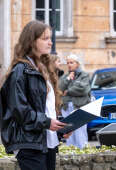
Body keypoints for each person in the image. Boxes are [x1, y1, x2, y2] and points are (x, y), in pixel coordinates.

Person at [0, 20, 71, 170]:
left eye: (50, 38)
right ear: (31, 41)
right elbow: (19, 111)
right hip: (29, 145)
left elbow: (45, 110)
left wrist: (61, 127)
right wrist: (47, 123)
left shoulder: (43, 69)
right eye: (45, 38)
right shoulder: (20, 71)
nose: (50, 43)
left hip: (47, 143)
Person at [59, 54, 91, 149]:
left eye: (71, 62)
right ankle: (71, 151)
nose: (69, 65)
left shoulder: (84, 75)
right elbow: (59, 89)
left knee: (80, 131)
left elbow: (83, 89)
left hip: (79, 106)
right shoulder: (65, 76)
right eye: (68, 63)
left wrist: (68, 91)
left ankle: (82, 151)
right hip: (66, 107)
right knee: (69, 130)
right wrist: (68, 79)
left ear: (77, 64)